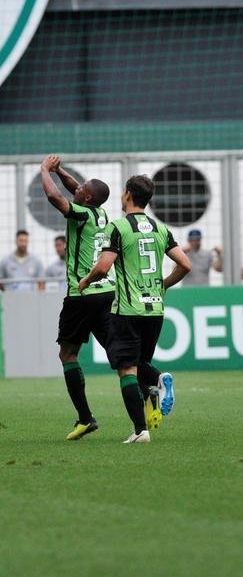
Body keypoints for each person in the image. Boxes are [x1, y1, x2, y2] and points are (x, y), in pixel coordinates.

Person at [79, 175, 191, 444]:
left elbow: (104, 266)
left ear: (128, 194)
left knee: (127, 369)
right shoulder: (160, 229)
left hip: (128, 309)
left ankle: (142, 427)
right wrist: (162, 285)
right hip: (155, 311)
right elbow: (185, 265)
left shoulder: (117, 227)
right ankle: (150, 400)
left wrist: (86, 280)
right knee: (138, 366)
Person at [41, 154, 114, 440]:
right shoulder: (101, 214)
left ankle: (85, 418)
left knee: (68, 354)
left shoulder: (81, 214)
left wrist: (45, 170)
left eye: (82, 188)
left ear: (87, 198)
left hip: (81, 294)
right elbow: (74, 189)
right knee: (118, 354)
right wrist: (60, 171)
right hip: (106, 292)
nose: (78, 187)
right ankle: (153, 382)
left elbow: (54, 197)